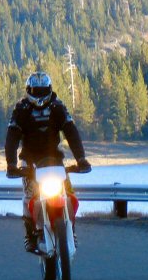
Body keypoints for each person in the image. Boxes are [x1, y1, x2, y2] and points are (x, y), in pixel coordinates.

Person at [5, 71, 91, 252]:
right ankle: (30, 234)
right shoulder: (21, 109)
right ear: (29, 90)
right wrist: (11, 165)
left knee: (68, 193)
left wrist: (81, 159)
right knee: (29, 195)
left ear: (50, 89)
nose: (39, 94)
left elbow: (71, 132)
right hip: (29, 162)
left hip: (55, 161)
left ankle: (71, 228)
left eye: (43, 90)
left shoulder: (57, 107)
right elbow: (12, 137)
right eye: (35, 90)